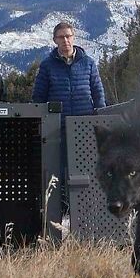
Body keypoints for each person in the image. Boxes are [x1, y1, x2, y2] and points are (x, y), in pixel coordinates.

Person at [32, 21, 106, 215]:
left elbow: (98, 93)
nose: (65, 40)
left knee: (88, 170)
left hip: (85, 126)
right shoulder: (47, 66)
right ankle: (62, 212)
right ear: (55, 40)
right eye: (61, 37)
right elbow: (38, 98)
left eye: (68, 36)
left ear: (74, 38)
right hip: (59, 128)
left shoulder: (88, 62)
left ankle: (88, 211)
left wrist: (100, 118)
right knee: (61, 171)